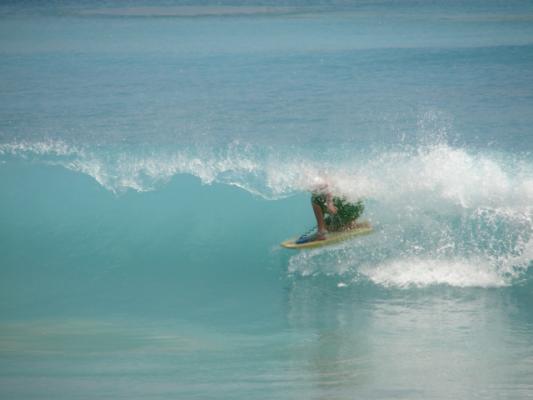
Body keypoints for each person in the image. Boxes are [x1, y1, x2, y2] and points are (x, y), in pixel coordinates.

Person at [296, 185, 365, 244]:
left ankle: (321, 232)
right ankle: (351, 224)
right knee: (327, 225)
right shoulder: (319, 181)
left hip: (350, 207)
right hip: (356, 205)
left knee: (315, 198)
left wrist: (329, 203)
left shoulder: (314, 180)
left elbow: (327, 185)